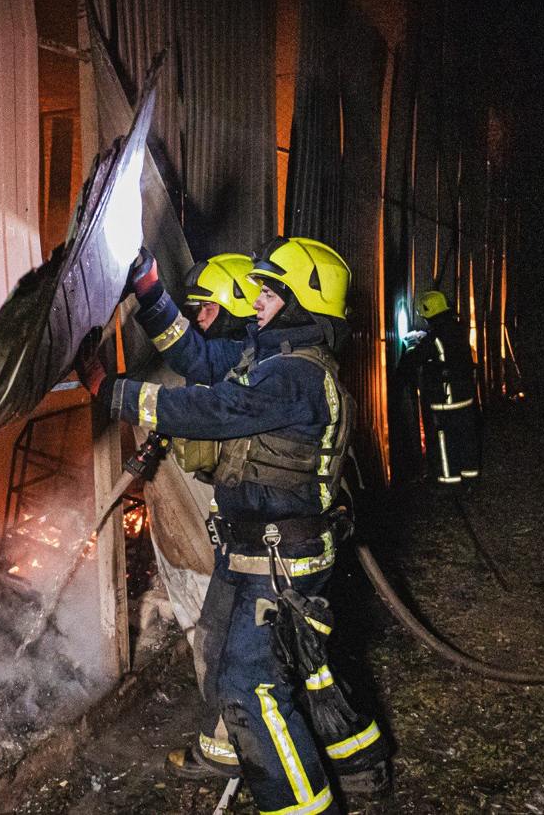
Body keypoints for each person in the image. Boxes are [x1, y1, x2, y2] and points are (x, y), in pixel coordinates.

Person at [79, 237, 383, 814]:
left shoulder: (294, 376)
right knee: (227, 650)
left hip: (280, 564)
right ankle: (248, 752)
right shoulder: (267, 360)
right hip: (249, 554)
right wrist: (149, 290)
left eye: (271, 292)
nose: (257, 299)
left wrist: (110, 391)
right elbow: (195, 357)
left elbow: (212, 410)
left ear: (304, 302)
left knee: (253, 685)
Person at [399, 290, 482, 484]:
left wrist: (411, 344)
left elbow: (412, 361)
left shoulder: (434, 338)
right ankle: (470, 477)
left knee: (445, 439)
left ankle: (449, 481)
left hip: (447, 400)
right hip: (465, 396)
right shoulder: (458, 329)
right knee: (466, 437)